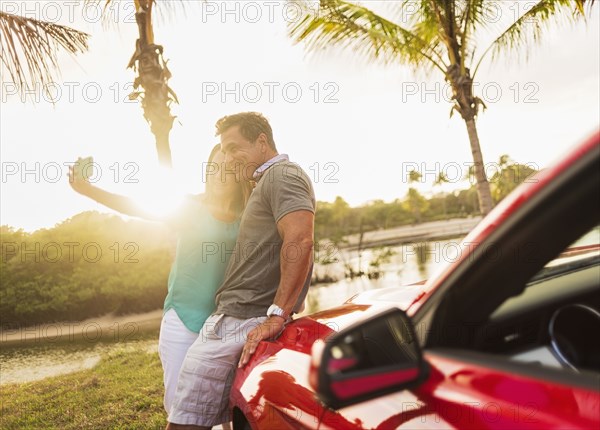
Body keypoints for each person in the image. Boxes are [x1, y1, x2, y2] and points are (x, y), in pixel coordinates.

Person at [69, 145, 252, 419]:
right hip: (183, 320)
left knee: (225, 403)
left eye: (226, 168)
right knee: (182, 409)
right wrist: (90, 190)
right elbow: (136, 206)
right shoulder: (191, 208)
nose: (219, 174)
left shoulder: (249, 214)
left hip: (225, 324)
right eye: (213, 167)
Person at [166, 112, 315, 430]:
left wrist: (277, 315)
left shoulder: (282, 175)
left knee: (185, 422)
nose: (230, 158)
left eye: (235, 148)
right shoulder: (265, 182)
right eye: (225, 151)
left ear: (262, 141)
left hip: (240, 320)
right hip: (232, 318)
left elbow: (300, 239)